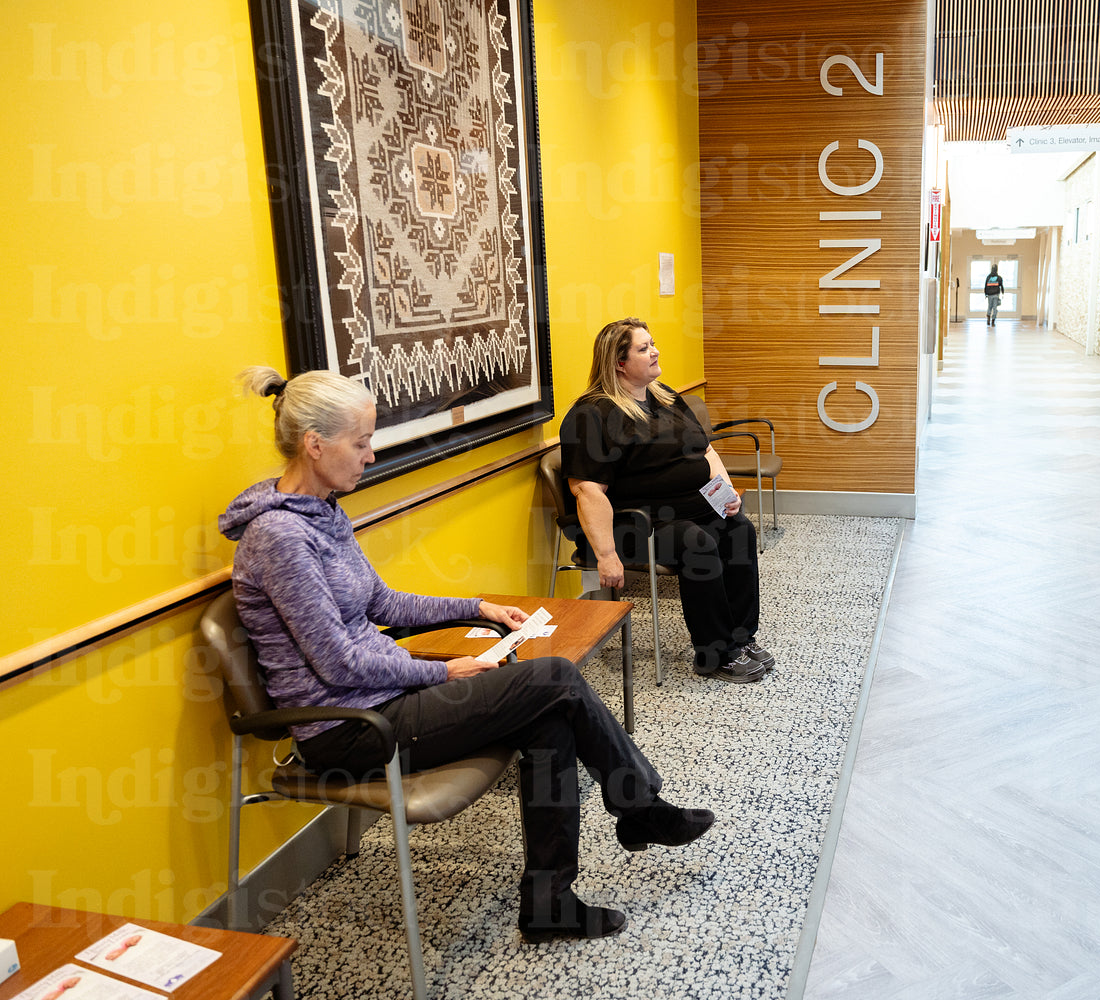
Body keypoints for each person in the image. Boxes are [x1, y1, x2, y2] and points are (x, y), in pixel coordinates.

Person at [218, 366, 714, 943]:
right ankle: (638, 807)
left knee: (550, 717)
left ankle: (551, 903)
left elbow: (383, 602)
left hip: (386, 699)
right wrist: (442, 668)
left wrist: (475, 607)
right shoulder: (280, 539)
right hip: (348, 730)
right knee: (552, 677)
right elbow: (338, 664)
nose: (371, 456)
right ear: (314, 444)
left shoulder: (324, 512)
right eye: (361, 443)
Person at [559, 318, 774, 683]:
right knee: (698, 541)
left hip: (694, 509)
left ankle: (740, 638)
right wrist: (607, 555)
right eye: (643, 348)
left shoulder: (665, 396)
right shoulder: (591, 415)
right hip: (638, 524)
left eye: (652, 343)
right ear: (618, 363)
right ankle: (713, 654)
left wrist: (725, 493)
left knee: (739, 530)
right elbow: (588, 491)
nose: (655, 351)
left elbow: (705, 450)